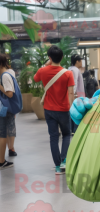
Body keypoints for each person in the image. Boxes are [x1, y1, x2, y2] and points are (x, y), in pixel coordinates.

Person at [34, 46, 75, 175]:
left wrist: (47, 64)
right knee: (67, 135)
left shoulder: (43, 71)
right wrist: (72, 108)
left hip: (49, 110)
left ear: (50, 58)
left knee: (53, 137)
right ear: (62, 57)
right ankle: (64, 162)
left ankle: (57, 166)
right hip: (64, 109)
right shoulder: (68, 73)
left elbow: (35, 78)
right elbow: (71, 93)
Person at [0, 55, 18, 169]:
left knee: (2, 134)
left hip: (4, 109)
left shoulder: (5, 76)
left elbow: (10, 93)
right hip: (3, 109)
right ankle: (1, 161)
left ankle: (1, 161)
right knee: (2, 134)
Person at [68, 54, 85, 134]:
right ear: (77, 61)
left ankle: (72, 129)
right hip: (77, 95)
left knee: (73, 111)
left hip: (77, 94)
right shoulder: (74, 70)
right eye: (80, 61)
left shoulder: (70, 69)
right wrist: (74, 95)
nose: (81, 63)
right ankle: (75, 130)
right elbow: (73, 83)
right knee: (77, 112)